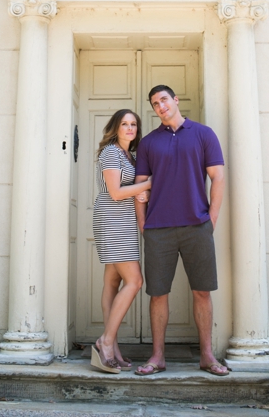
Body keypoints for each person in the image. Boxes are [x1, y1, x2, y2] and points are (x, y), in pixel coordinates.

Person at [133, 85, 229, 377]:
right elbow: (140, 187)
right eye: (155, 104)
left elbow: (218, 178)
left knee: (202, 291)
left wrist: (211, 219)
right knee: (158, 293)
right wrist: (143, 225)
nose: (160, 106)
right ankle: (157, 357)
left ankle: (207, 356)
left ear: (175, 100)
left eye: (164, 100)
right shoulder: (149, 142)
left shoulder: (203, 134)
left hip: (196, 226)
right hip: (158, 229)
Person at [91, 109, 151, 374]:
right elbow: (115, 192)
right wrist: (148, 184)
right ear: (115, 127)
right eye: (125, 124)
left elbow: (131, 190)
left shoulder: (132, 156)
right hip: (112, 220)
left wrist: (141, 193)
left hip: (124, 221)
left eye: (134, 124)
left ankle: (111, 346)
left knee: (113, 282)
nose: (130, 128)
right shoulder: (111, 152)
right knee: (135, 281)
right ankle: (105, 342)